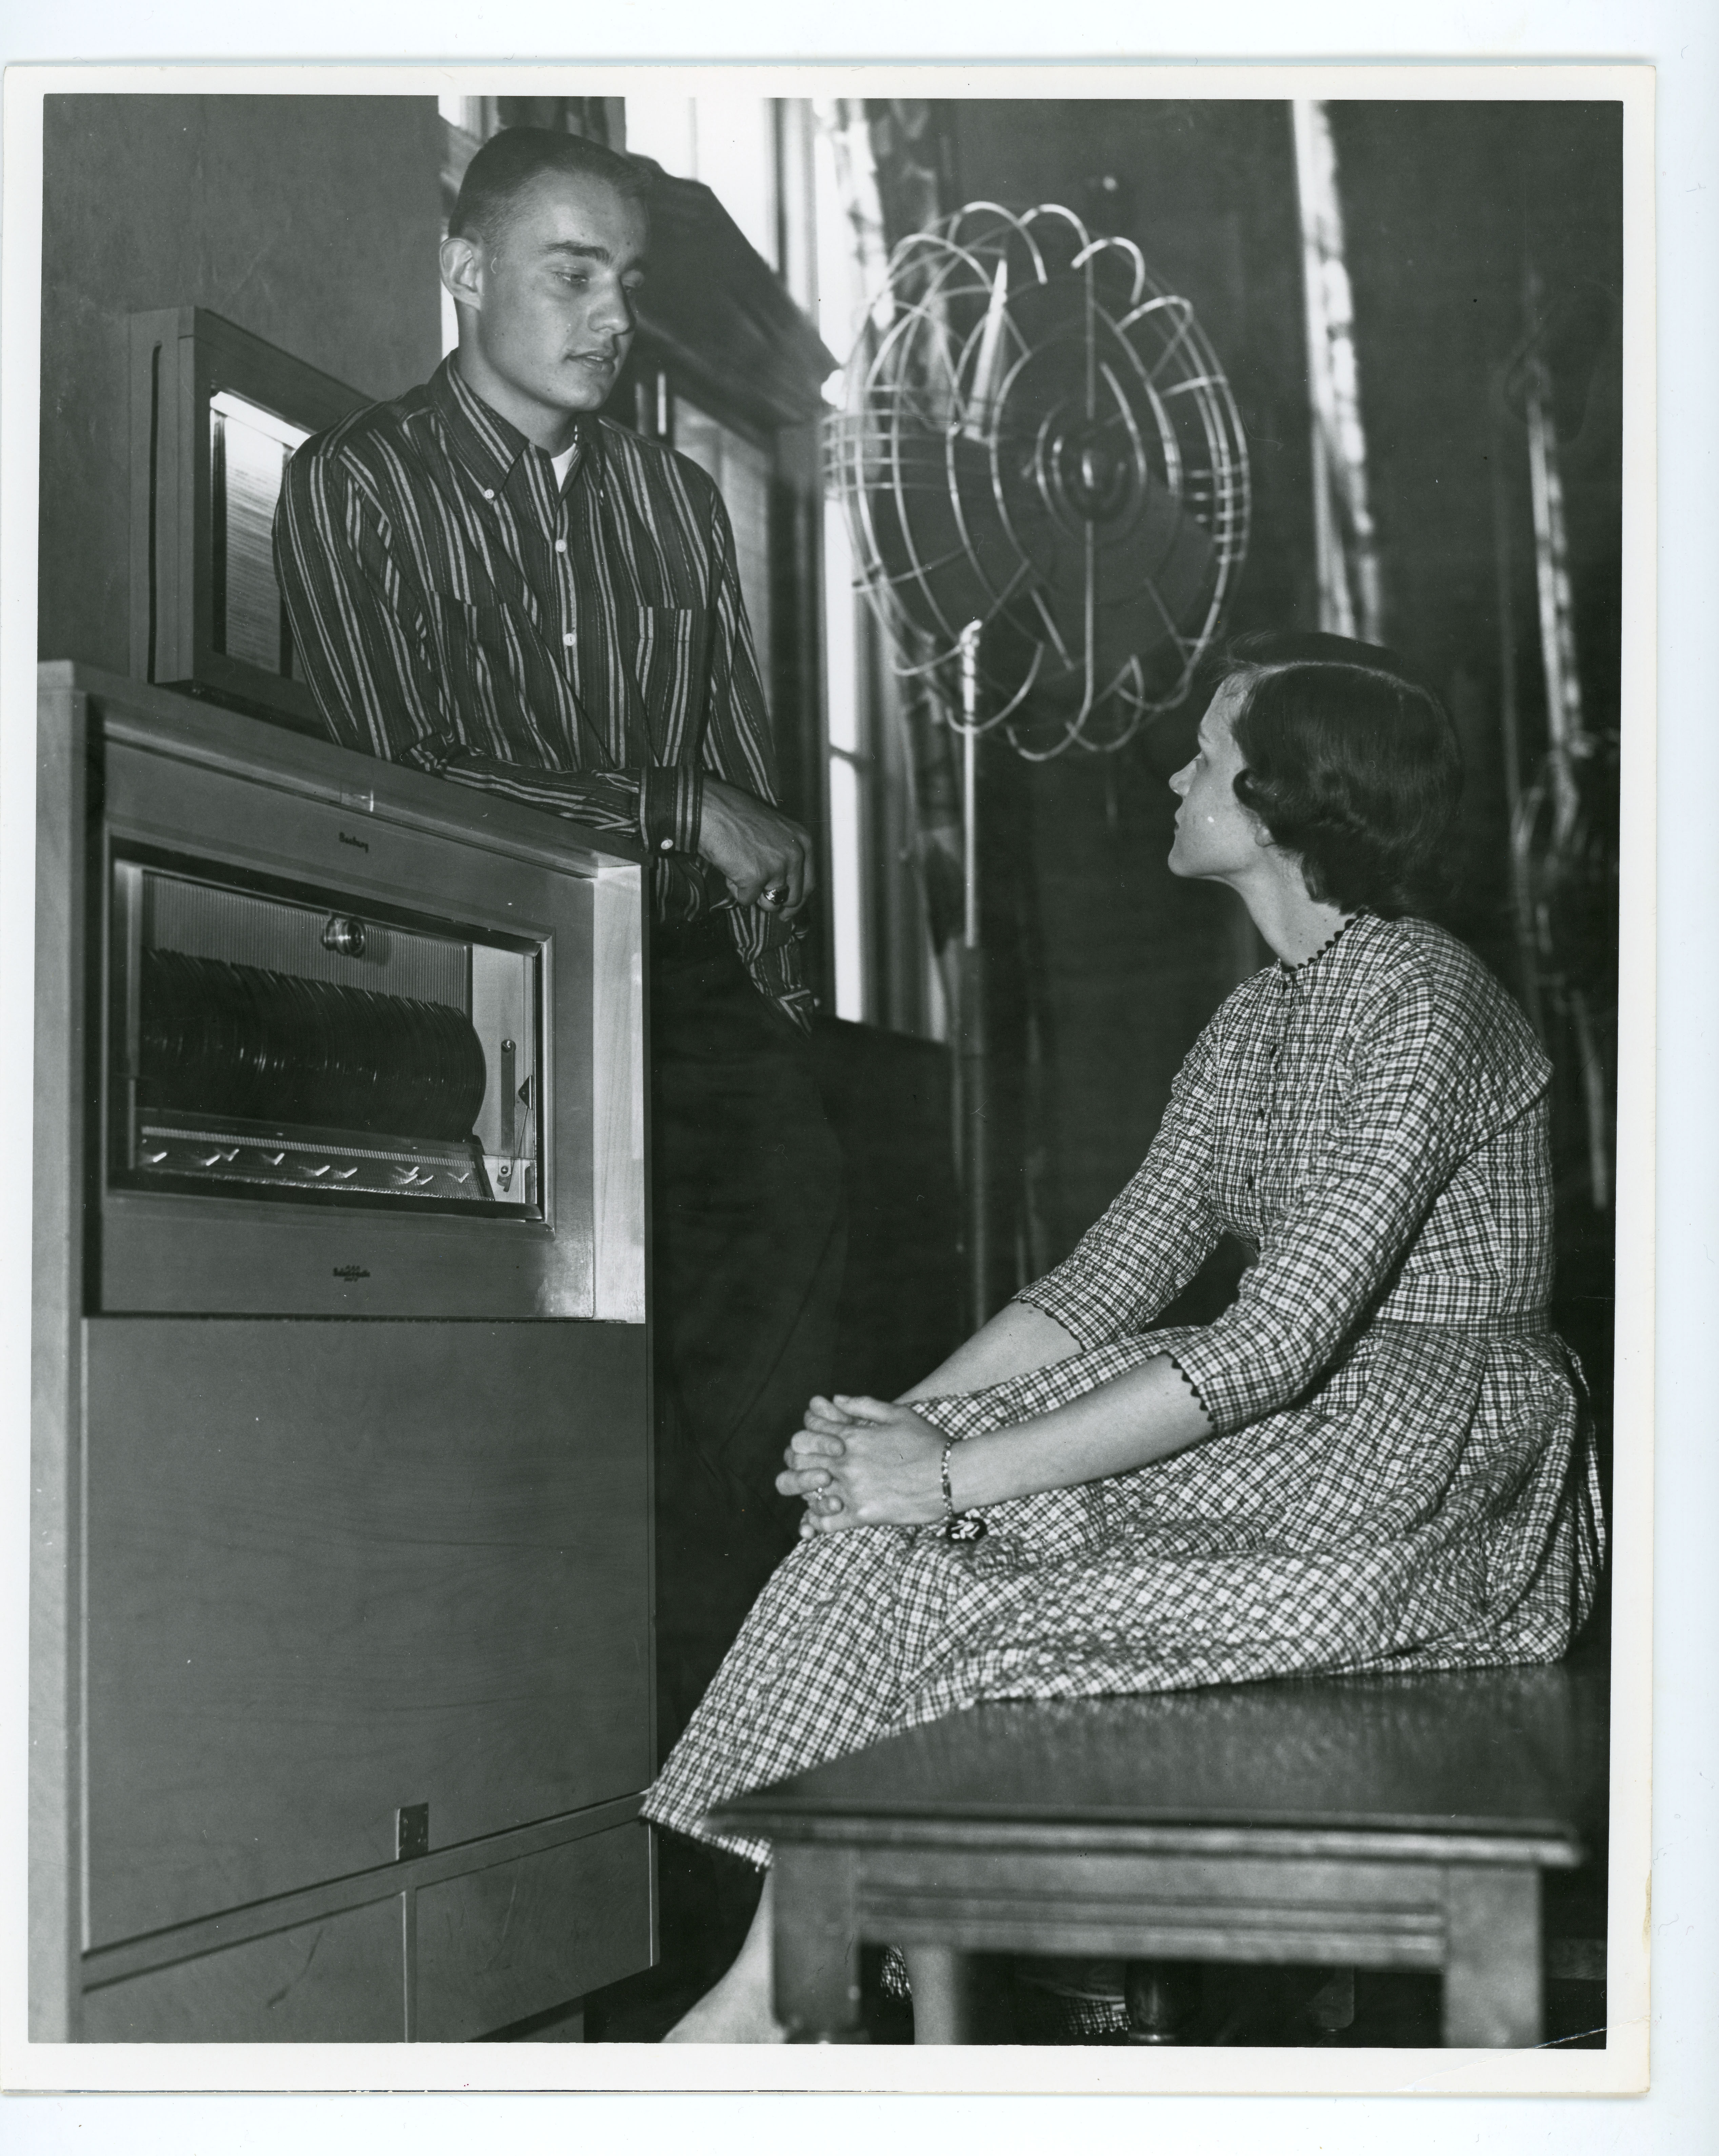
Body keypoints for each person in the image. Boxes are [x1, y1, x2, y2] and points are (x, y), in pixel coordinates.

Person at [640, 631, 1606, 2042]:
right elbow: (1095, 1292)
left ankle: (860, 1986)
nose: (1174, 772)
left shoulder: (1427, 1002)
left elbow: (1275, 1343)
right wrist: (882, 1434)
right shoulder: (1249, 1023)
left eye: (1206, 757)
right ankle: (779, 1993)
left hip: (1437, 1472)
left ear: (1280, 803)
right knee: (869, 1531)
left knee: (992, 1626)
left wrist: (952, 1475)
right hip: (1296, 1433)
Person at [273, 126, 845, 1750]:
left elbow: (750, 790)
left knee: (763, 1385)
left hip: (690, 1009)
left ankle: (743, 1798)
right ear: (465, 273)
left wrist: (769, 989)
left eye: (628, 283)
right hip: (484, 1014)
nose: (609, 315)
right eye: (569, 272)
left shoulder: (670, 500)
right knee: (563, 1430)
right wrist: (672, 811)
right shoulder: (358, 486)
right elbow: (407, 775)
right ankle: (621, 1817)